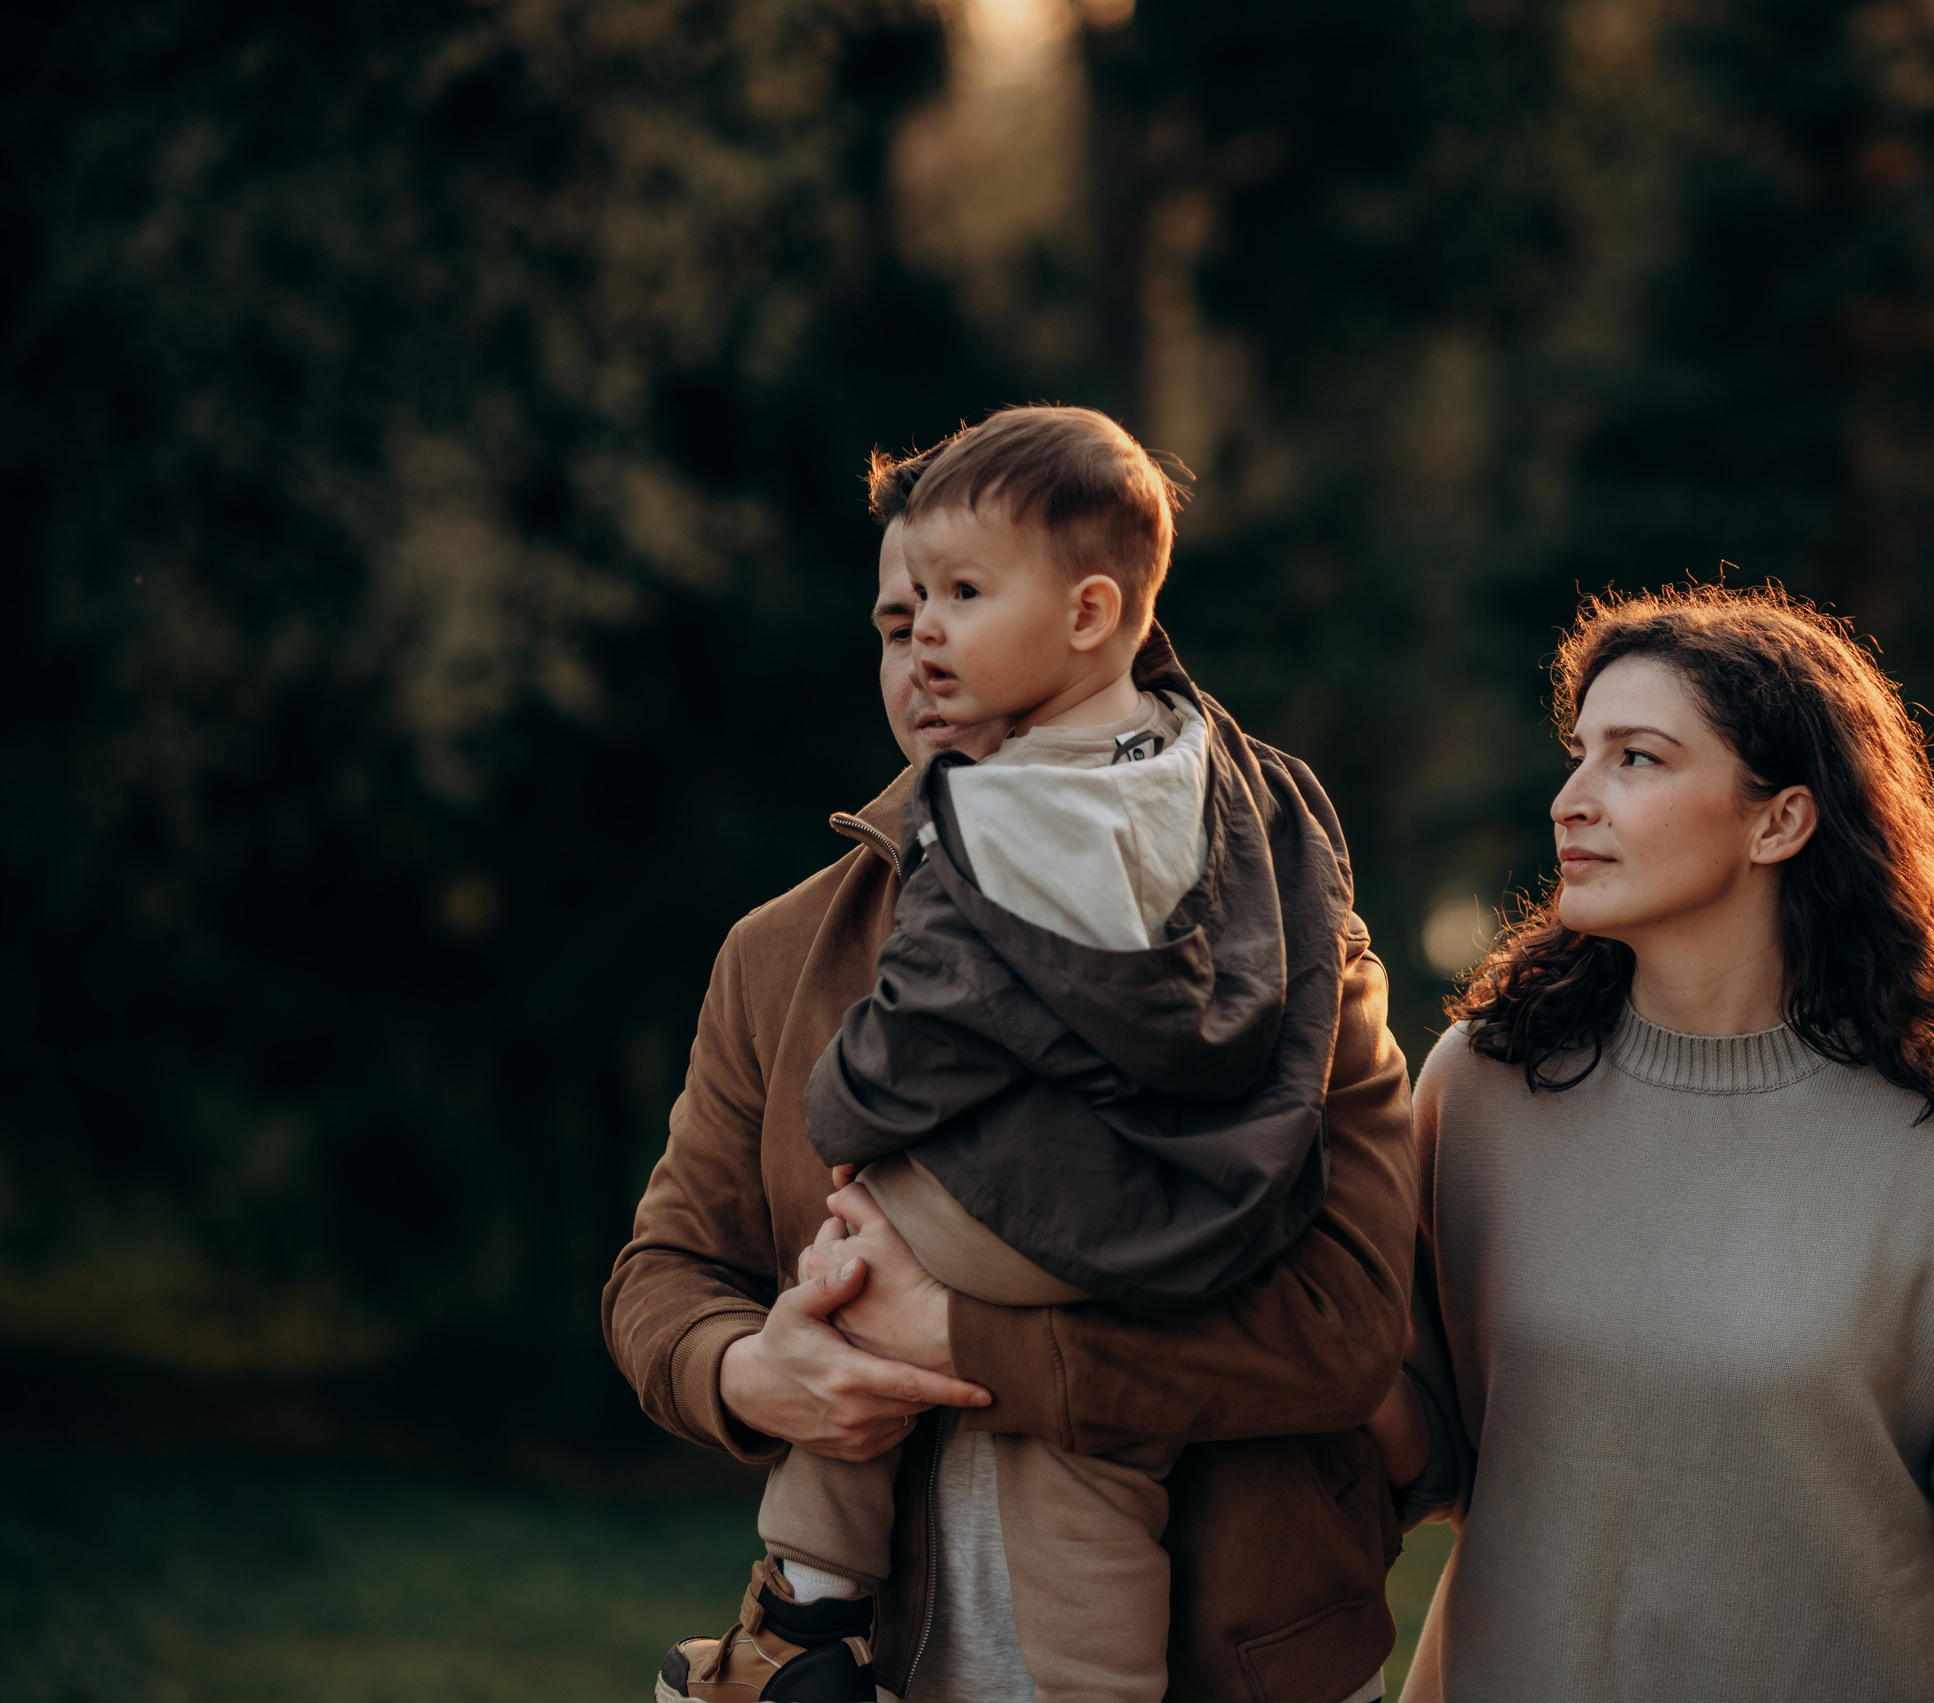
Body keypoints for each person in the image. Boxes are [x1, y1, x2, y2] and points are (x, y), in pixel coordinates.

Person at [603, 414, 1416, 1703]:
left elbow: (1343, 1334)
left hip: (1243, 1669)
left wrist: (963, 1337)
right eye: (893, 619)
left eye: (962, 600)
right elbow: (662, 1273)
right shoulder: (782, 953)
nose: (923, 649)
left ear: (1095, 619)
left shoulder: (1285, 944)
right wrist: (756, 1372)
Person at [1370, 584, 1934, 1703]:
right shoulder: (1482, 1085)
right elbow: (1420, 1443)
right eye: (1577, 753)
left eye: (1635, 758)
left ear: (1777, 820)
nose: (1571, 799)